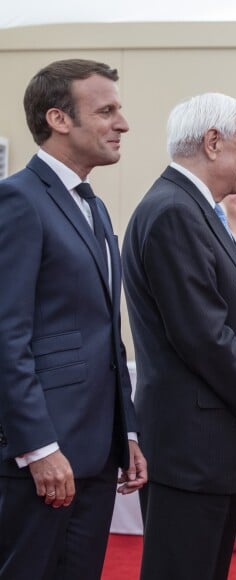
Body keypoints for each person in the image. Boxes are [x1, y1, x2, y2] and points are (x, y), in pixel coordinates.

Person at [121, 92, 236, 580]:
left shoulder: (190, 207)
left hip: (209, 446)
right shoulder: (175, 211)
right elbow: (203, 334)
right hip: (191, 451)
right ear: (213, 143)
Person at [0, 59, 147, 580]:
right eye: (106, 111)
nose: (122, 124)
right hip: (43, 457)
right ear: (59, 119)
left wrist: (125, 433)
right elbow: (6, 336)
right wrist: (38, 448)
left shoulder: (95, 207)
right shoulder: (18, 199)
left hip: (96, 454)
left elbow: (105, 336)